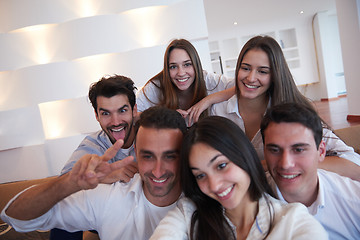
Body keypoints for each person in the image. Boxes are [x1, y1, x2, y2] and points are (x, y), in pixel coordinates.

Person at [1, 106, 187, 240]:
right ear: (135, 150)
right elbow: (17, 216)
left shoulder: (203, 200)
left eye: (170, 156)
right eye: (148, 156)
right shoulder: (111, 196)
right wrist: (68, 184)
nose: (157, 170)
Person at [150, 116, 327, 240]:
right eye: (201, 175)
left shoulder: (293, 221)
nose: (215, 184)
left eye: (221, 166)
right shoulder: (189, 213)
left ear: (243, 156)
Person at [211, 35, 360, 180]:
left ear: (275, 75)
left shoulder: (293, 113)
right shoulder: (217, 112)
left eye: (262, 71)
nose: (250, 78)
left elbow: (353, 162)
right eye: (245, 68)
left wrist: (267, 165)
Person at [51, 74, 139, 239]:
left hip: (145, 207)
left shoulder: (150, 133)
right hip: (107, 211)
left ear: (134, 110)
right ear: (96, 115)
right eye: (106, 113)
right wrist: (105, 176)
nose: (115, 121)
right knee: (65, 207)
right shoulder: (94, 144)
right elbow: (64, 183)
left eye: (122, 110)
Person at [261, 102, 360, 240]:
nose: (285, 164)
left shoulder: (354, 200)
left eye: (299, 150)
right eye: (274, 150)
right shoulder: (249, 204)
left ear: (321, 151)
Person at [136, 38, 235, 126]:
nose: (181, 73)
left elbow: (242, 87)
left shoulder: (207, 79)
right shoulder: (156, 87)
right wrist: (164, 115)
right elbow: (132, 115)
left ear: (196, 65)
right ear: (167, 69)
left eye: (187, 64)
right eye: (173, 67)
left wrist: (207, 101)